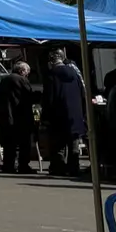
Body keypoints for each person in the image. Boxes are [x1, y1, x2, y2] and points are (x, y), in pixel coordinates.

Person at [44, 48, 86, 176]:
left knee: (58, 145)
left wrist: (45, 116)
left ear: (52, 61)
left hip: (58, 115)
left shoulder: (51, 75)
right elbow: (82, 93)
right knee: (74, 144)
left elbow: (49, 97)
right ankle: (74, 168)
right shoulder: (75, 73)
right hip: (75, 114)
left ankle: (58, 167)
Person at [0, 61, 36, 174]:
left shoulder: (4, 80)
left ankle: (8, 165)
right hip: (20, 117)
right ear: (22, 71)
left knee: (9, 144)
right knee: (24, 143)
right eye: (27, 72)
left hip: (5, 116)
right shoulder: (22, 80)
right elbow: (28, 97)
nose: (27, 74)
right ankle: (23, 166)